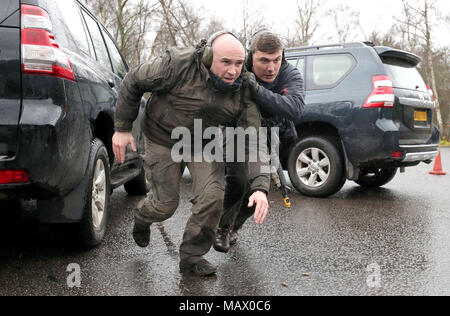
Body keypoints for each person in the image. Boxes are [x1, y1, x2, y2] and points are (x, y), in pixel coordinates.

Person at [112, 31, 270, 277]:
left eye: (239, 63)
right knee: (165, 205)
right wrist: (121, 128)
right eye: (226, 62)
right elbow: (134, 80)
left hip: (202, 141)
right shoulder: (177, 64)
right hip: (163, 137)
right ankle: (143, 218)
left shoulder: (242, 89)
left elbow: (252, 138)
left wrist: (260, 186)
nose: (233, 70)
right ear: (208, 57)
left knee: (213, 196)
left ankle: (192, 256)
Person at [214, 30, 305, 253]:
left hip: (274, 135)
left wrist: (256, 89)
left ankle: (235, 225)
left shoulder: (289, 74)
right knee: (241, 179)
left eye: (276, 60)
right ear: (251, 56)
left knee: (260, 189)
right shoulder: (239, 69)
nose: (271, 67)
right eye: (264, 60)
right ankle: (223, 227)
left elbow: (294, 109)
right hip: (240, 131)